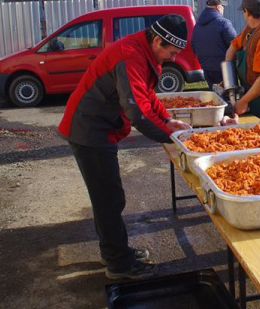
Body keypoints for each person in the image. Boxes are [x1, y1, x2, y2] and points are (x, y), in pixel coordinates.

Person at [58, 14, 192, 280]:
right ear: (157, 40)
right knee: (108, 198)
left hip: (98, 126)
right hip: (88, 130)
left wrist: (166, 119)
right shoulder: (129, 55)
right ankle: (118, 265)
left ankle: (115, 252)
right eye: (171, 52)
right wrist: (172, 137)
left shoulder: (143, 51)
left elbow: (146, 95)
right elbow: (137, 112)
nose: (174, 58)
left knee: (108, 196)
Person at [190, 0, 237, 90]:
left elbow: (193, 46)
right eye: (222, 6)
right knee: (227, 95)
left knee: (214, 95)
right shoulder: (223, 23)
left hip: (206, 67)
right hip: (224, 68)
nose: (223, 9)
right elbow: (235, 44)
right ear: (218, 7)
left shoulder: (197, 26)